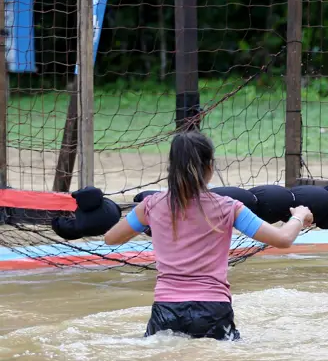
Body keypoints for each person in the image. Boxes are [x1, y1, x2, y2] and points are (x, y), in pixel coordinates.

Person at [104, 131, 314, 341]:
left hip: (166, 310)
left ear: (171, 168)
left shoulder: (151, 206)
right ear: (210, 168)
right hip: (213, 309)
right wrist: (299, 215)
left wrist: (150, 224)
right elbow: (283, 239)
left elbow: (111, 239)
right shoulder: (228, 208)